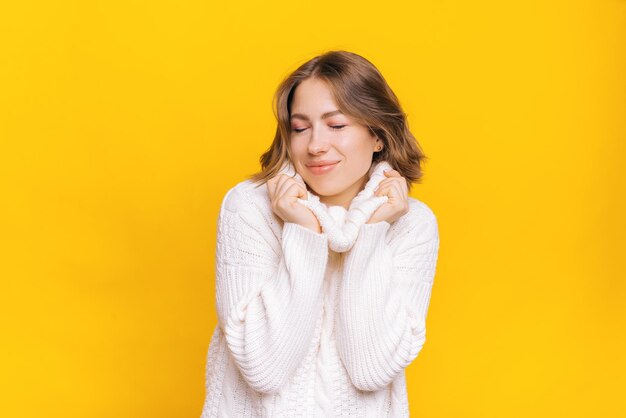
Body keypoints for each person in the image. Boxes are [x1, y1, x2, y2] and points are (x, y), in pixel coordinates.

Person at [200, 50, 440, 418]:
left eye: (337, 125)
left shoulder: (412, 224)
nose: (315, 145)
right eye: (300, 128)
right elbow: (263, 368)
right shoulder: (249, 207)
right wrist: (304, 232)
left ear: (378, 135)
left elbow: (371, 368)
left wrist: (371, 231)